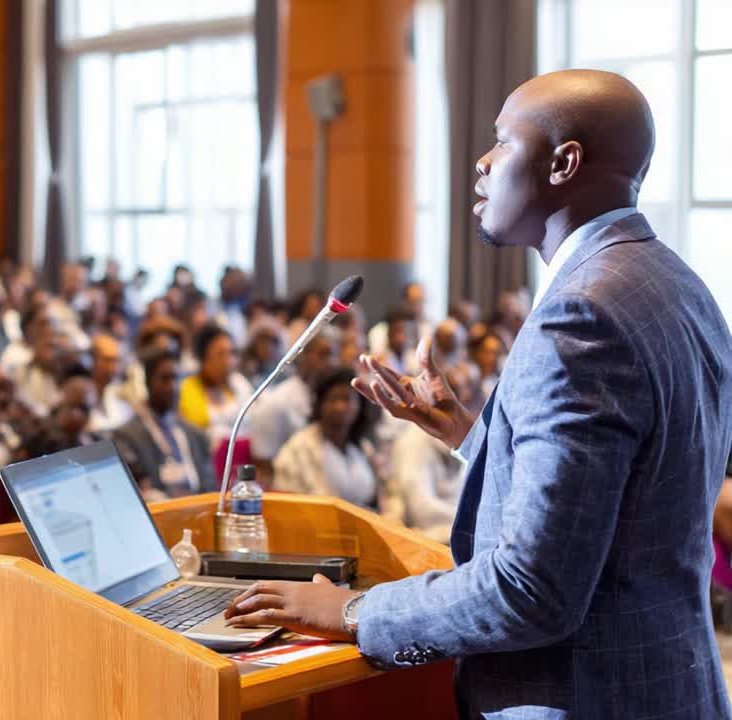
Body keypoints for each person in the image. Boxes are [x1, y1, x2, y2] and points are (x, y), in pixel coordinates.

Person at [225, 70, 732, 718]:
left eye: (501, 141)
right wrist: (474, 436)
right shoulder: (675, 283)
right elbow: (628, 495)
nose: (482, 163)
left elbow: (533, 588)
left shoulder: (582, 314)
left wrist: (353, 609)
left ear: (563, 163)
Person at [272, 367, 394, 517]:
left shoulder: (362, 447)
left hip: (368, 530)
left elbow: (386, 497)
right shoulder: (298, 448)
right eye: (333, 399)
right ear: (320, 404)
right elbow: (290, 508)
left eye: (347, 399)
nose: (341, 407)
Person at [113, 346, 215, 501]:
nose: (172, 386)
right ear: (148, 383)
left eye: (176, 378)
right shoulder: (126, 436)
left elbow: (211, 488)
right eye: (165, 378)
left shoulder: (196, 435)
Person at [242, 331, 338, 484]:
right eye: (322, 355)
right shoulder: (276, 404)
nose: (330, 362)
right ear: (303, 356)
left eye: (333, 356)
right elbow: (264, 467)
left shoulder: (325, 402)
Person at [178, 324, 253, 446]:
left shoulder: (239, 383)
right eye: (220, 354)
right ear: (203, 357)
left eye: (232, 353)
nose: (229, 361)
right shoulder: (187, 388)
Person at [87, 334, 133, 433]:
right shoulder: (81, 395)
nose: (113, 368)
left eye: (116, 361)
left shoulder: (118, 394)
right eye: (107, 360)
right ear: (92, 361)